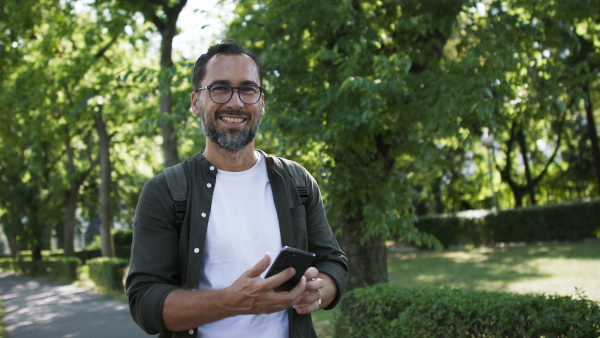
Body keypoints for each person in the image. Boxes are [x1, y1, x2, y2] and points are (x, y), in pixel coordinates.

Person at [126, 40, 349, 338]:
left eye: (248, 89)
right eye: (219, 88)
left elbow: (333, 263)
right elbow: (145, 303)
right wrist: (232, 301)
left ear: (262, 102)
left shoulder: (296, 181)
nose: (236, 102)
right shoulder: (165, 191)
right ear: (196, 102)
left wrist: (320, 289)